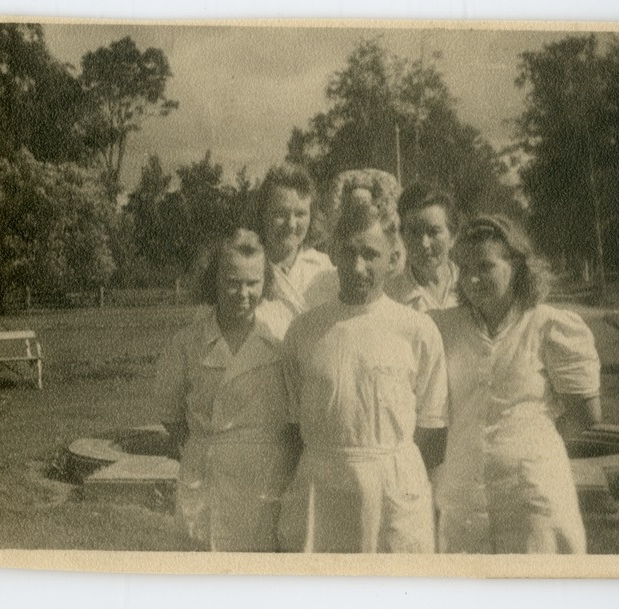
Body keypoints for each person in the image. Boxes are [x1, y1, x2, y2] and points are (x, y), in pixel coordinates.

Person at [277, 191, 448, 553]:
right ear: (335, 254)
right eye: (349, 252)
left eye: (370, 254)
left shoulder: (417, 330)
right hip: (321, 495)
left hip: (393, 496)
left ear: (392, 258)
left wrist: (386, 470)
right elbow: (294, 428)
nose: (357, 267)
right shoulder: (304, 331)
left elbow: (432, 436)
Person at [431, 214, 602, 554]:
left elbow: (587, 414)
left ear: (517, 267)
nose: (473, 278)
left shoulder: (548, 326)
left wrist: (530, 445)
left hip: (533, 497)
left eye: (486, 266)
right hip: (465, 495)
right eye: (464, 268)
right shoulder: (442, 328)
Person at [155, 227, 298, 552]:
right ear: (213, 281)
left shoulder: (280, 335)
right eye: (232, 282)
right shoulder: (188, 343)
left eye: (253, 282)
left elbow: (295, 410)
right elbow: (170, 414)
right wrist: (207, 446)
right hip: (207, 477)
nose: (243, 293)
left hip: (265, 475)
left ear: (266, 283)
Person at [257, 165, 338, 316]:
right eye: (280, 214)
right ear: (263, 213)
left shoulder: (324, 266)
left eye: (300, 214)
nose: (291, 224)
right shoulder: (247, 263)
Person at [387, 183, 459, 312]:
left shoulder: (471, 287)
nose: (424, 243)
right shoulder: (390, 298)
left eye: (433, 232)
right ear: (402, 236)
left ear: (453, 235)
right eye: (414, 232)